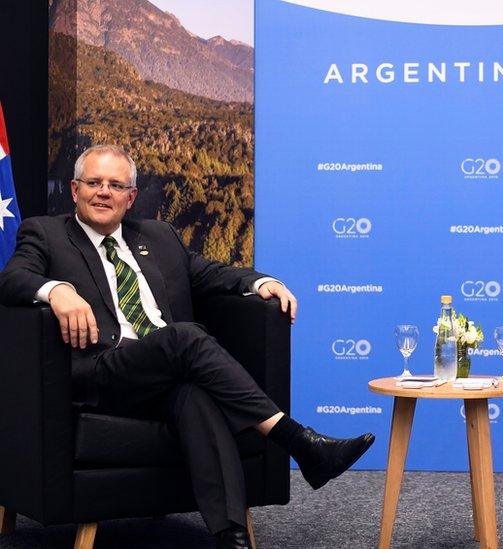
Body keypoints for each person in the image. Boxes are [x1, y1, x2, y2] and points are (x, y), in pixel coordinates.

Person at [0, 145, 375, 549]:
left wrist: (258, 282)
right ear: (75, 190)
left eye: (115, 185)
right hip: (101, 372)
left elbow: (210, 272)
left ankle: (230, 535)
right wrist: (57, 289)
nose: (103, 192)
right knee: (184, 335)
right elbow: (12, 278)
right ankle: (298, 441)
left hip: (165, 374)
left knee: (194, 396)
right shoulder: (46, 233)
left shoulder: (159, 237)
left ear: (131, 196)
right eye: (93, 183)